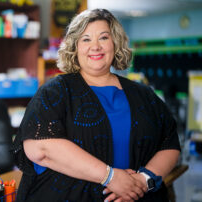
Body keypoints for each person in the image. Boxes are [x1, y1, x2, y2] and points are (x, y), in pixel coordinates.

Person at [12, 9, 180, 202]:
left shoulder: (143, 94)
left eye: (103, 37)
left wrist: (143, 181)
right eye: (85, 39)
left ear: (115, 43)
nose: (95, 46)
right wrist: (111, 177)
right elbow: (39, 148)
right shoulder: (56, 91)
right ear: (74, 47)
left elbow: (170, 142)